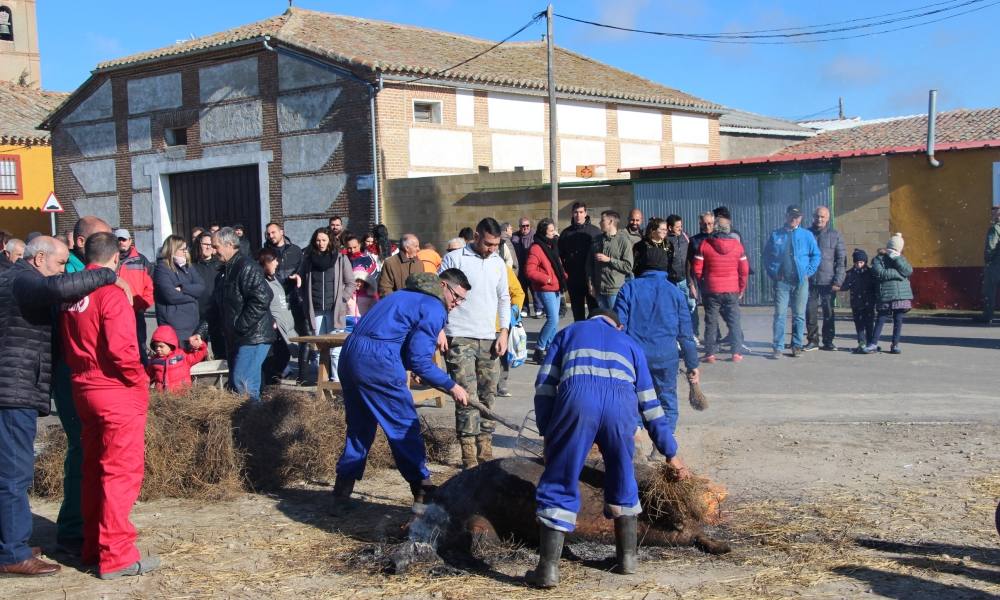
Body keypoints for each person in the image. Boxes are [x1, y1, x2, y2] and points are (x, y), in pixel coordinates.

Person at [527, 310, 691, 588]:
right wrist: (670, 452)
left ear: (591, 319)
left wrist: (547, 431)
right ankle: (627, 560)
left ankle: (548, 570)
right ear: (618, 324)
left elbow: (545, 385)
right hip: (621, 407)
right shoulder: (629, 344)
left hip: (576, 401)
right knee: (622, 474)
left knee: (561, 477)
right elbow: (651, 405)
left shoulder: (568, 333)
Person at [0, 235, 121, 577]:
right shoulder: (24, 278)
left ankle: (11, 541)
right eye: (59, 263)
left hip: (14, 386)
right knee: (14, 474)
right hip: (14, 391)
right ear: (39, 259)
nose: (63, 270)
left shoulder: (13, 277)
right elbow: (56, 290)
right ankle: (12, 553)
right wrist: (107, 274)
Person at [59, 232, 160, 579]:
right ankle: (116, 554)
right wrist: (139, 380)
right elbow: (123, 350)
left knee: (94, 469)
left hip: (83, 387)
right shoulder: (111, 294)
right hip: (115, 390)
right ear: (116, 258)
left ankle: (93, 546)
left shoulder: (73, 294)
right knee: (120, 473)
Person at [333, 271, 470, 511]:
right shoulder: (434, 306)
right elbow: (419, 360)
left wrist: (411, 363)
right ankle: (422, 491)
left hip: (350, 354)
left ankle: (342, 491)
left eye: (461, 301)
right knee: (403, 426)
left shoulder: (401, 295)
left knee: (360, 426)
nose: (456, 304)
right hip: (378, 362)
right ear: (443, 286)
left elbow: (396, 337)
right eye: (456, 296)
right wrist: (452, 386)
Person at [52, 215, 114, 555]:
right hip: (72, 372)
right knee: (81, 447)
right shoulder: (73, 276)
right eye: (101, 238)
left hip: (87, 372)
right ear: (81, 242)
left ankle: (85, 521)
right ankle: (74, 527)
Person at [439, 218, 511, 469]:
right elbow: (440, 294)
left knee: (488, 393)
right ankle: (468, 453)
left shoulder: (498, 263)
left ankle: (485, 446)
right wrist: (439, 328)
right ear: (477, 236)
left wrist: (504, 331)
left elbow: (504, 298)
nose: (492, 248)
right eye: (489, 243)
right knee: (465, 394)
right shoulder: (455, 258)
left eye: (496, 244)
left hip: (489, 337)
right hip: (459, 334)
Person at [615, 247, 699, 436]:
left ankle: (635, 442)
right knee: (667, 401)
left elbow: (618, 328)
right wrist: (692, 364)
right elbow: (686, 334)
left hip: (635, 359)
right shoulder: (675, 292)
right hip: (666, 358)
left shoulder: (629, 288)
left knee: (634, 403)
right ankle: (663, 448)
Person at [210, 227, 275, 401]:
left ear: (230, 244)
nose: (213, 251)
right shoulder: (224, 271)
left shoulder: (245, 267)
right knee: (237, 386)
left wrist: (240, 325)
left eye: (216, 247)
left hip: (253, 335)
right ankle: (250, 423)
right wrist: (201, 332)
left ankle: (254, 424)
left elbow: (263, 297)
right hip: (237, 337)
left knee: (243, 383)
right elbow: (215, 307)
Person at [291, 228, 353, 383]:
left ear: (330, 241)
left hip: (335, 310)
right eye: (318, 240)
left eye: (324, 240)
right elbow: (302, 282)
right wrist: (304, 299)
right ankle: (322, 382)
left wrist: (342, 299)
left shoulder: (340, 259)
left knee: (335, 349)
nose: (321, 243)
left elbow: (350, 283)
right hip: (316, 309)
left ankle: (336, 380)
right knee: (319, 348)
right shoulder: (308, 260)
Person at [763, 206, 821, 359]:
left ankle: (796, 345)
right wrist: (774, 273)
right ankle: (778, 347)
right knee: (780, 314)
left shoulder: (807, 235)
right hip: (782, 282)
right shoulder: (776, 235)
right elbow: (766, 256)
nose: (793, 219)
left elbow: (816, 255)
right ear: (786, 216)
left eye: (797, 216)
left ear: (801, 218)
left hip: (801, 281)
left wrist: (808, 271)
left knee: (799, 315)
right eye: (791, 216)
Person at [692, 219, 750, 363]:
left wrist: (703, 283)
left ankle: (710, 354)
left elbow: (697, 268)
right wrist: (741, 287)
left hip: (712, 289)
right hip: (732, 289)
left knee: (711, 322)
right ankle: (736, 353)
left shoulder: (705, 244)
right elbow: (744, 270)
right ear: (728, 230)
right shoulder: (737, 245)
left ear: (716, 229)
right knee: (734, 321)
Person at [525, 218, 567, 364]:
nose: (554, 233)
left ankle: (551, 349)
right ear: (543, 232)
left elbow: (557, 263)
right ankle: (539, 349)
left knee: (555, 321)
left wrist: (563, 276)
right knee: (553, 319)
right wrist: (547, 279)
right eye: (551, 231)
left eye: (554, 230)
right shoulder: (536, 247)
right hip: (546, 288)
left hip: (556, 287)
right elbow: (529, 271)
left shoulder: (551, 245)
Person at [804, 206, 846, 351]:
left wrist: (838, 280)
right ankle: (813, 340)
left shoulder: (835, 235)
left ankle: (828, 341)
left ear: (828, 218)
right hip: (809, 281)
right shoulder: (806, 234)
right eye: (817, 216)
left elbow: (841, 260)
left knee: (828, 312)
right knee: (810, 312)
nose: (819, 219)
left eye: (822, 217)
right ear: (812, 217)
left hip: (828, 282)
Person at [153, 235, 205, 346]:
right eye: (182, 249)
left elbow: (201, 287)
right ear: (172, 250)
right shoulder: (161, 269)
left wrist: (183, 288)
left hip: (193, 324)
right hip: (175, 326)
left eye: (186, 249)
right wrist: (193, 297)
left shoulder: (187, 266)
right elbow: (170, 295)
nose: (185, 252)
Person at [258, 248, 298, 385]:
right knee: (273, 359)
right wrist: (271, 320)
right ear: (265, 262)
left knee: (285, 353)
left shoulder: (275, 278)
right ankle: (269, 387)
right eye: (273, 260)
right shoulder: (261, 281)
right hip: (273, 328)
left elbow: (284, 288)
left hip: (285, 325)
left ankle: (276, 379)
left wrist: (294, 280)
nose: (277, 263)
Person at [115, 229, 154, 364]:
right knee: (121, 346)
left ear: (130, 241)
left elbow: (150, 285)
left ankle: (143, 374)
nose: (121, 242)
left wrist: (143, 304)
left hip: (136, 311)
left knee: (140, 344)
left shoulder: (141, 260)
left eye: (124, 239)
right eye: (119, 239)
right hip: (116, 312)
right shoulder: (110, 260)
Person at [870, 234, 913, 355]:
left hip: (900, 295)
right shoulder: (879, 258)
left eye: (896, 249)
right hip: (886, 293)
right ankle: (873, 343)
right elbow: (879, 273)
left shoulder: (901, 258)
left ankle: (895, 344)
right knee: (881, 318)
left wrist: (897, 259)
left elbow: (908, 271)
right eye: (892, 248)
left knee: (898, 320)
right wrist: (899, 275)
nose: (893, 251)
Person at [559, 202, 601, 321]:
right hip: (573, 279)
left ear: (586, 213)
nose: (578, 215)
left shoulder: (595, 232)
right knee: (577, 313)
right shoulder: (566, 233)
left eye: (581, 212)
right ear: (572, 214)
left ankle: (593, 337)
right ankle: (579, 336)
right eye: (576, 212)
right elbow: (560, 257)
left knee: (594, 312)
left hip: (591, 279)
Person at [587, 210, 633, 311]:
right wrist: (590, 284)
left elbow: (628, 266)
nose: (599, 223)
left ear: (611, 222)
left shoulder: (623, 241)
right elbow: (589, 264)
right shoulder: (596, 240)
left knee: (616, 321)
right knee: (603, 322)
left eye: (602, 220)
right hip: (599, 290)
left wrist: (609, 260)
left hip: (614, 291)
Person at [146, 324, 207, 392]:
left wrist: (201, 345)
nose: (158, 349)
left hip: (182, 394)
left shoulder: (182, 357)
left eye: (161, 346)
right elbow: (148, 376)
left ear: (170, 344)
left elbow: (200, 354)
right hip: (162, 396)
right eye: (156, 346)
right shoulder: (154, 361)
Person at [192, 232, 225, 358]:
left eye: (211, 245)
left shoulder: (219, 265)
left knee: (221, 352)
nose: (208, 247)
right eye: (205, 244)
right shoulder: (192, 266)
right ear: (199, 245)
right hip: (199, 314)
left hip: (218, 314)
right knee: (198, 353)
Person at [840, 249, 877, 353]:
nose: (859, 265)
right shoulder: (851, 273)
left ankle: (870, 344)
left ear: (865, 262)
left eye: (861, 262)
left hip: (869, 303)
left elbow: (875, 287)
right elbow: (846, 286)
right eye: (857, 262)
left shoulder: (870, 273)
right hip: (856, 303)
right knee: (859, 325)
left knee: (869, 324)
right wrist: (838, 287)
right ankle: (862, 344)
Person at [496, 264, 525, 398]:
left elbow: (518, 292)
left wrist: (514, 312)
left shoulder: (502, 268)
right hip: (475, 323)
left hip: (500, 323)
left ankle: (501, 384)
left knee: (502, 355)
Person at [688, 211, 716, 342]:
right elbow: (689, 263)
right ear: (700, 224)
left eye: (710, 223)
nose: (707, 226)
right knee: (709, 311)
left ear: (714, 223)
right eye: (704, 223)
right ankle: (713, 338)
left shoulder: (720, 238)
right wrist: (691, 284)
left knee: (727, 312)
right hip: (703, 281)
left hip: (719, 280)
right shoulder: (694, 240)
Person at [665, 215, 696, 321]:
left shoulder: (686, 237)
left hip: (685, 280)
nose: (680, 229)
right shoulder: (665, 241)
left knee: (691, 305)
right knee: (673, 307)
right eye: (678, 227)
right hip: (671, 281)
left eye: (681, 226)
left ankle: (693, 331)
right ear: (670, 228)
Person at [378, 233, 425, 298]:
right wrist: (397, 302)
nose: (418, 249)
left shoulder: (419, 263)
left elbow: (423, 285)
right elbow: (384, 288)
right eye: (416, 246)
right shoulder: (390, 263)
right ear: (407, 248)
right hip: (397, 305)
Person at [512, 217, 538, 317]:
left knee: (534, 289)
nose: (525, 228)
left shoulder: (535, 235)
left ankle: (538, 308)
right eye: (523, 226)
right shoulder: (515, 236)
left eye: (527, 226)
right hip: (520, 267)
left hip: (532, 268)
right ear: (519, 227)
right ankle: (525, 309)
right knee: (522, 289)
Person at [982, 206, 1000, 325]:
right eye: (993, 214)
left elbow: (991, 247)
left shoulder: (995, 228)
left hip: (995, 264)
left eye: (995, 214)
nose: (993, 217)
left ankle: (988, 315)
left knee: (989, 290)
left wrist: (988, 260)